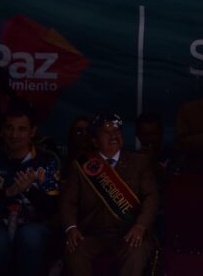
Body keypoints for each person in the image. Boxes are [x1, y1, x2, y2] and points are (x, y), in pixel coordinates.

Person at [61, 113, 158, 276]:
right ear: (94, 141)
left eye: (117, 131)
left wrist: (141, 225)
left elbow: (152, 197)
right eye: (106, 132)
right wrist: (71, 228)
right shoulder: (81, 166)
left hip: (129, 232)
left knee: (136, 250)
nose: (113, 136)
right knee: (74, 250)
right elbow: (67, 202)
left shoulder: (139, 162)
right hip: (93, 234)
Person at [0, 98, 60, 276]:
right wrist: (8, 193)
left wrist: (29, 190)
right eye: (9, 128)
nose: (14, 135)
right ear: (2, 130)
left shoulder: (46, 161)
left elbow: (52, 211)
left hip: (32, 225)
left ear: (32, 132)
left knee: (31, 237)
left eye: (22, 129)